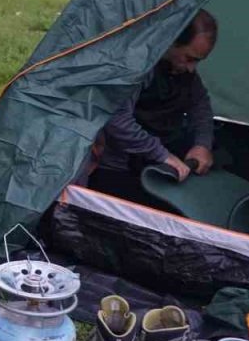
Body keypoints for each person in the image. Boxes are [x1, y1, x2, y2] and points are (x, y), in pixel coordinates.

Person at [89, 10, 219, 205]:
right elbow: (116, 120)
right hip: (119, 164)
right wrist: (161, 155)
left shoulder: (181, 70)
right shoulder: (135, 67)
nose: (192, 68)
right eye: (189, 58)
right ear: (171, 41)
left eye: (198, 61)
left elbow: (200, 105)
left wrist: (202, 145)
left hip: (159, 150)